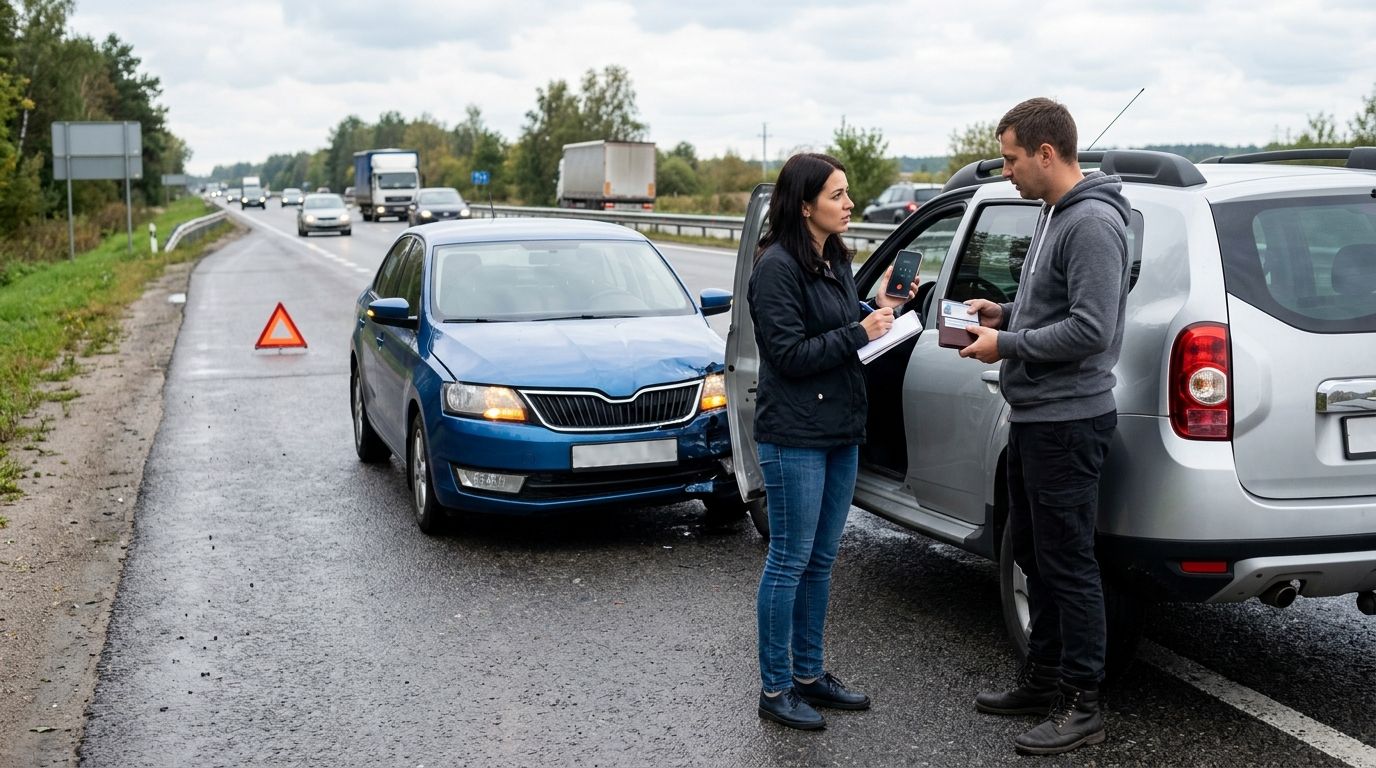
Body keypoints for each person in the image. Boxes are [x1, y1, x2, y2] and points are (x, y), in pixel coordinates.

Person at [958, 98, 1130, 755]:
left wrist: (1006, 347)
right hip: (1034, 418)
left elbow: (1092, 328)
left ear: (1046, 154)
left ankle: (1083, 705)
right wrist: (1004, 312)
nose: (1007, 172)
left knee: (1068, 565)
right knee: (1030, 552)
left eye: (1011, 159)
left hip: (1068, 421)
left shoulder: (1090, 223)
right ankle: (1043, 678)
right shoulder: (1055, 212)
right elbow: (1054, 304)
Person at [748, 152, 914, 730]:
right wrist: (856, 331)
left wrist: (883, 311)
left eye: (847, 194)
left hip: (841, 430)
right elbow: (789, 355)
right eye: (838, 195)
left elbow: (845, 323)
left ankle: (810, 675)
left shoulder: (834, 258)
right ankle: (775, 688)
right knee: (789, 559)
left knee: (821, 560)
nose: (849, 205)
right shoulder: (776, 268)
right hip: (794, 434)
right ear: (804, 205)